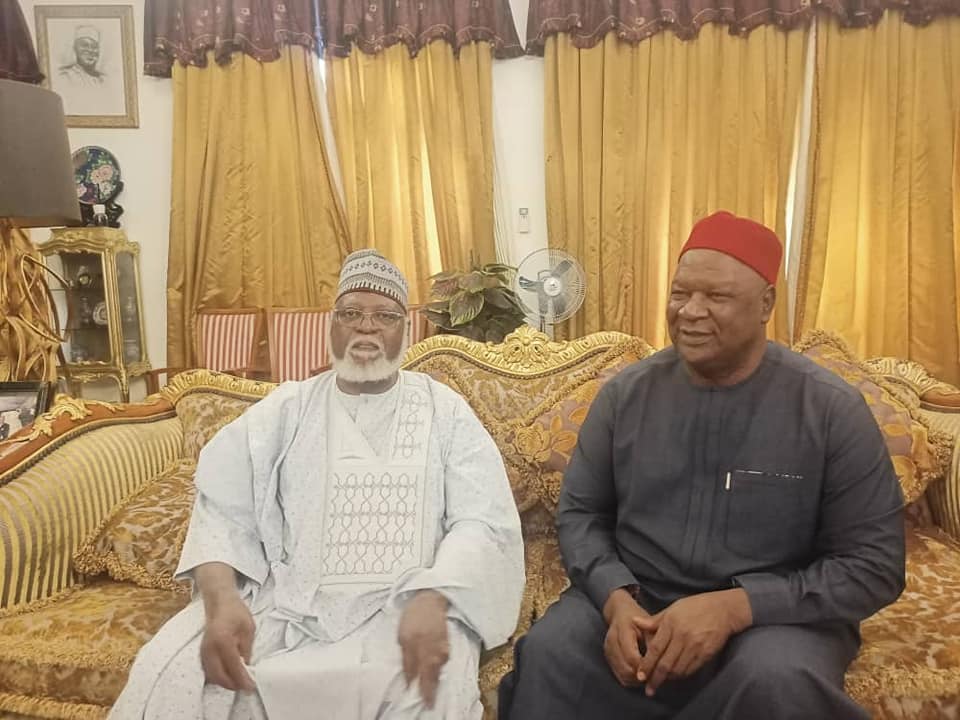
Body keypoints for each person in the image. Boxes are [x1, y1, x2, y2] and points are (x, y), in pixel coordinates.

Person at [499, 211, 905, 719]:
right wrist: (615, 598)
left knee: (775, 679)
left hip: (775, 619)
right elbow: (582, 516)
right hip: (639, 600)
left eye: (716, 296)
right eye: (680, 293)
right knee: (550, 654)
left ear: (766, 304)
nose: (690, 311)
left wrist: (738, 607)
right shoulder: (625, 396)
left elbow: (874, 565)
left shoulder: (829, 410)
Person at [110, 249, 525, 719]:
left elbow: (482, 522)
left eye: (385, 316)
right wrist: (222, 600)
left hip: (409, 611)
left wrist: (437, 596)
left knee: (431, 686)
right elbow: (222, 510)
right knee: (172, 672)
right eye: (351, 313)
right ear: (331, 325)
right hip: (288, 609)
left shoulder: (444, 410)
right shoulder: (286, 408)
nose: (367, 327)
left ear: (406, 331)